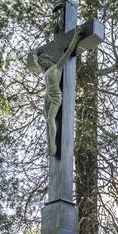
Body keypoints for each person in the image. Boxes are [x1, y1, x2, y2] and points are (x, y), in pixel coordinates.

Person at [37, 26, 80, 156]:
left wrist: (76, 35)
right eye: (41, 63)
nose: (42, 64)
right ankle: (49, 146)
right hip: (47, 96)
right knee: (47, 120)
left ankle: (53, 147)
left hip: (56, 95)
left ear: (47, 58)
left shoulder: (57, 66)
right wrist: (34, 55)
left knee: (51, 119)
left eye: (43, 61)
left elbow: (69, 51)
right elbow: (37, 64)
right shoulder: (45, 71)